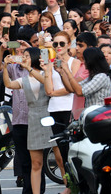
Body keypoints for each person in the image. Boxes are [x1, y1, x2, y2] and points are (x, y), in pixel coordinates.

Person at [0, 40, 47, 193]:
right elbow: (5, 78)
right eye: (20, 51)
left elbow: (45, 77)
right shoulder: (15, 68)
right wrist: (4, 61)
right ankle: (28, 190)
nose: (22, 54)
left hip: (37, 121)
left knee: (37, 161)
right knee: (24, 161)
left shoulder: (43, 71)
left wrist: (31, 49)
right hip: (19, 120)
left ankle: (38, 190)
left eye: (26, 53)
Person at [3, 47, 54, 194]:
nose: (23, 58)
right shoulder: (24, 79)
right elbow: (9, 84)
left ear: (34, 57)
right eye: (22, 55)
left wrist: (29, 68)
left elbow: (45, 81)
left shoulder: (45, 72)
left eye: (26, 56)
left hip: (46, 118)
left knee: (51, 158)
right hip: (30, 120)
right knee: (33, 161)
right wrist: (6, 68)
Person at [43, 31, 81, 192]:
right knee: (60, 153)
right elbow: (48, 90)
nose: (58, 47)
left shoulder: (74, 62)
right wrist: (47, 73)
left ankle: (76, 184)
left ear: (68, 45)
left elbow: (72, 87)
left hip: (70, 108)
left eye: (61, 44)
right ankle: (69, 185)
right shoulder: (50, 64)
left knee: (73, 149)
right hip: (54, 109)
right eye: (55, 44)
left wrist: (55, 91)